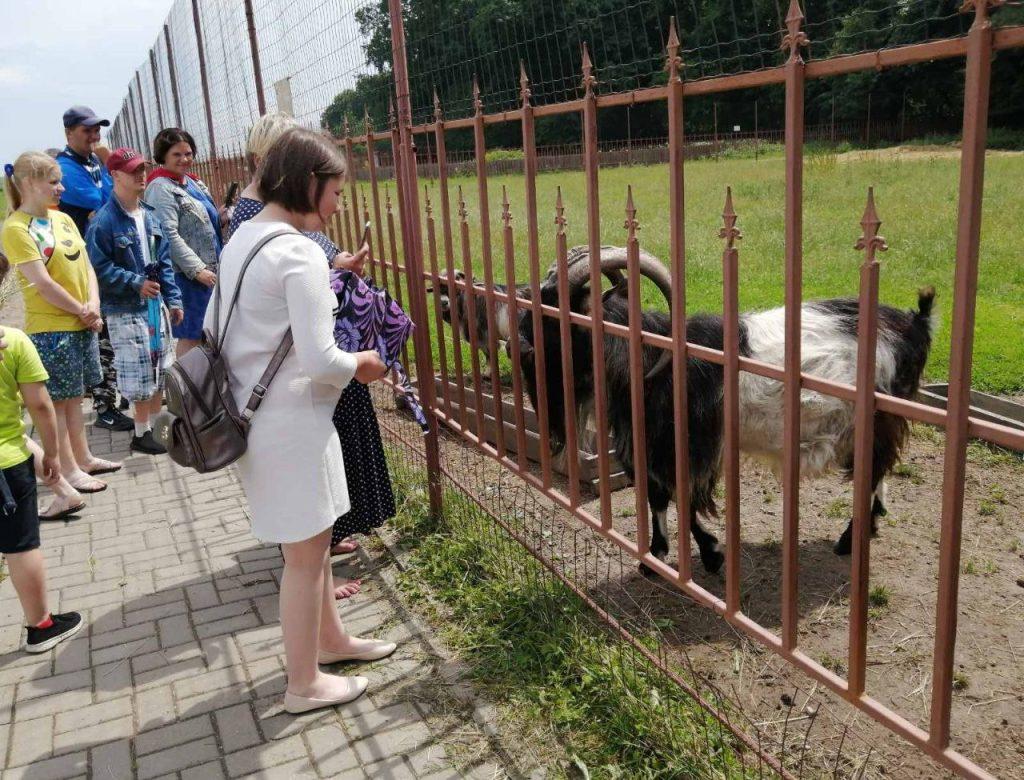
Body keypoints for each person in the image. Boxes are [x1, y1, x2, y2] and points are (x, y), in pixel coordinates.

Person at [212, 128, 394, 714]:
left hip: (258, 416)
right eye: (337, 192)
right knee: (306, 558)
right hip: (291, 423)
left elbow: (219, 330)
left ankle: (332, 641)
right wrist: (364, 363)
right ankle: (303, 683)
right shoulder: (298, 254)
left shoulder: (244, 239)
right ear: (309, 184)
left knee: (308, 545)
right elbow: (323, 361)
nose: (340, 205)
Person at [2, 152, 122, 494]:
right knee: (57, 401)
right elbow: (42, 283)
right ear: (27, 183)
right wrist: (81, 310)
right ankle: (67, 468)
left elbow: (85, 267)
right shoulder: (15, 228)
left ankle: (83, 458)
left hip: (83, 322)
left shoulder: (63, 220)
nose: (61, 188)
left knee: (76, 398)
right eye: (53, 182)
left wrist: (94, 305)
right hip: (51, 329)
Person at [86, 148, 183, 455]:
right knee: (139, 374)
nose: (141, 175)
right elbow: (98, 268)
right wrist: (135, 282)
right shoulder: (103, 222)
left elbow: (164, 262)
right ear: (114, 176)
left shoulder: (150, 215)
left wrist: (174, 298)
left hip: (155, 307)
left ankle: (159, 430)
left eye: (143, 169)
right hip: (125, 309)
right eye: (133, 171)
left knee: (160, 369)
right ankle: (141, 432)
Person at [0, 322, 84, 652]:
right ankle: (41, 625)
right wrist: (51, 453)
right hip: (7, 464)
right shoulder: (14, 342)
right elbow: (40, 404)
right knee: (20, 547)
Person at [56, 105, 132, 433]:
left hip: (101, 261)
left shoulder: (90, 163)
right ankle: (104, 406)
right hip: (85, 265)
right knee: (101, 337)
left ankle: (113, 392)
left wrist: (102, 162)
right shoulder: (66, 167)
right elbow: (107, 202)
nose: (95, 135)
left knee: (111, 334)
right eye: (87, 130)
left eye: (97, 129)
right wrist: (107, 161)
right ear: (69, 132)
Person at [144, 128, 222, 357]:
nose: (185, 159)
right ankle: (188, 389)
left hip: (208, 271)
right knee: (191, 335)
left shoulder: (191, 182)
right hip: (187, 276)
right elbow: (168, 234)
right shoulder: (160, 188)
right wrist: (197, 270)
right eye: (177, 155)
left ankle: (205, 386)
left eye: (188, 153)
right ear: (163, 156)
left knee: (207, 333)